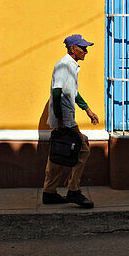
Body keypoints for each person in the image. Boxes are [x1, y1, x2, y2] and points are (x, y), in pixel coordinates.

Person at [42, 34, 100, 208]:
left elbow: (73, 93)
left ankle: (49, 193)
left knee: (59, 153)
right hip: (65, 120)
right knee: (83, 150)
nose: (86, 51)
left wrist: (88, 110)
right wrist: (60, 122)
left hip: (65, 118)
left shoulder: (72, 66)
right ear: (73, 49)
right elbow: (57, 92)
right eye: (83, 48)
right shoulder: (64, 66)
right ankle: (73, 190)